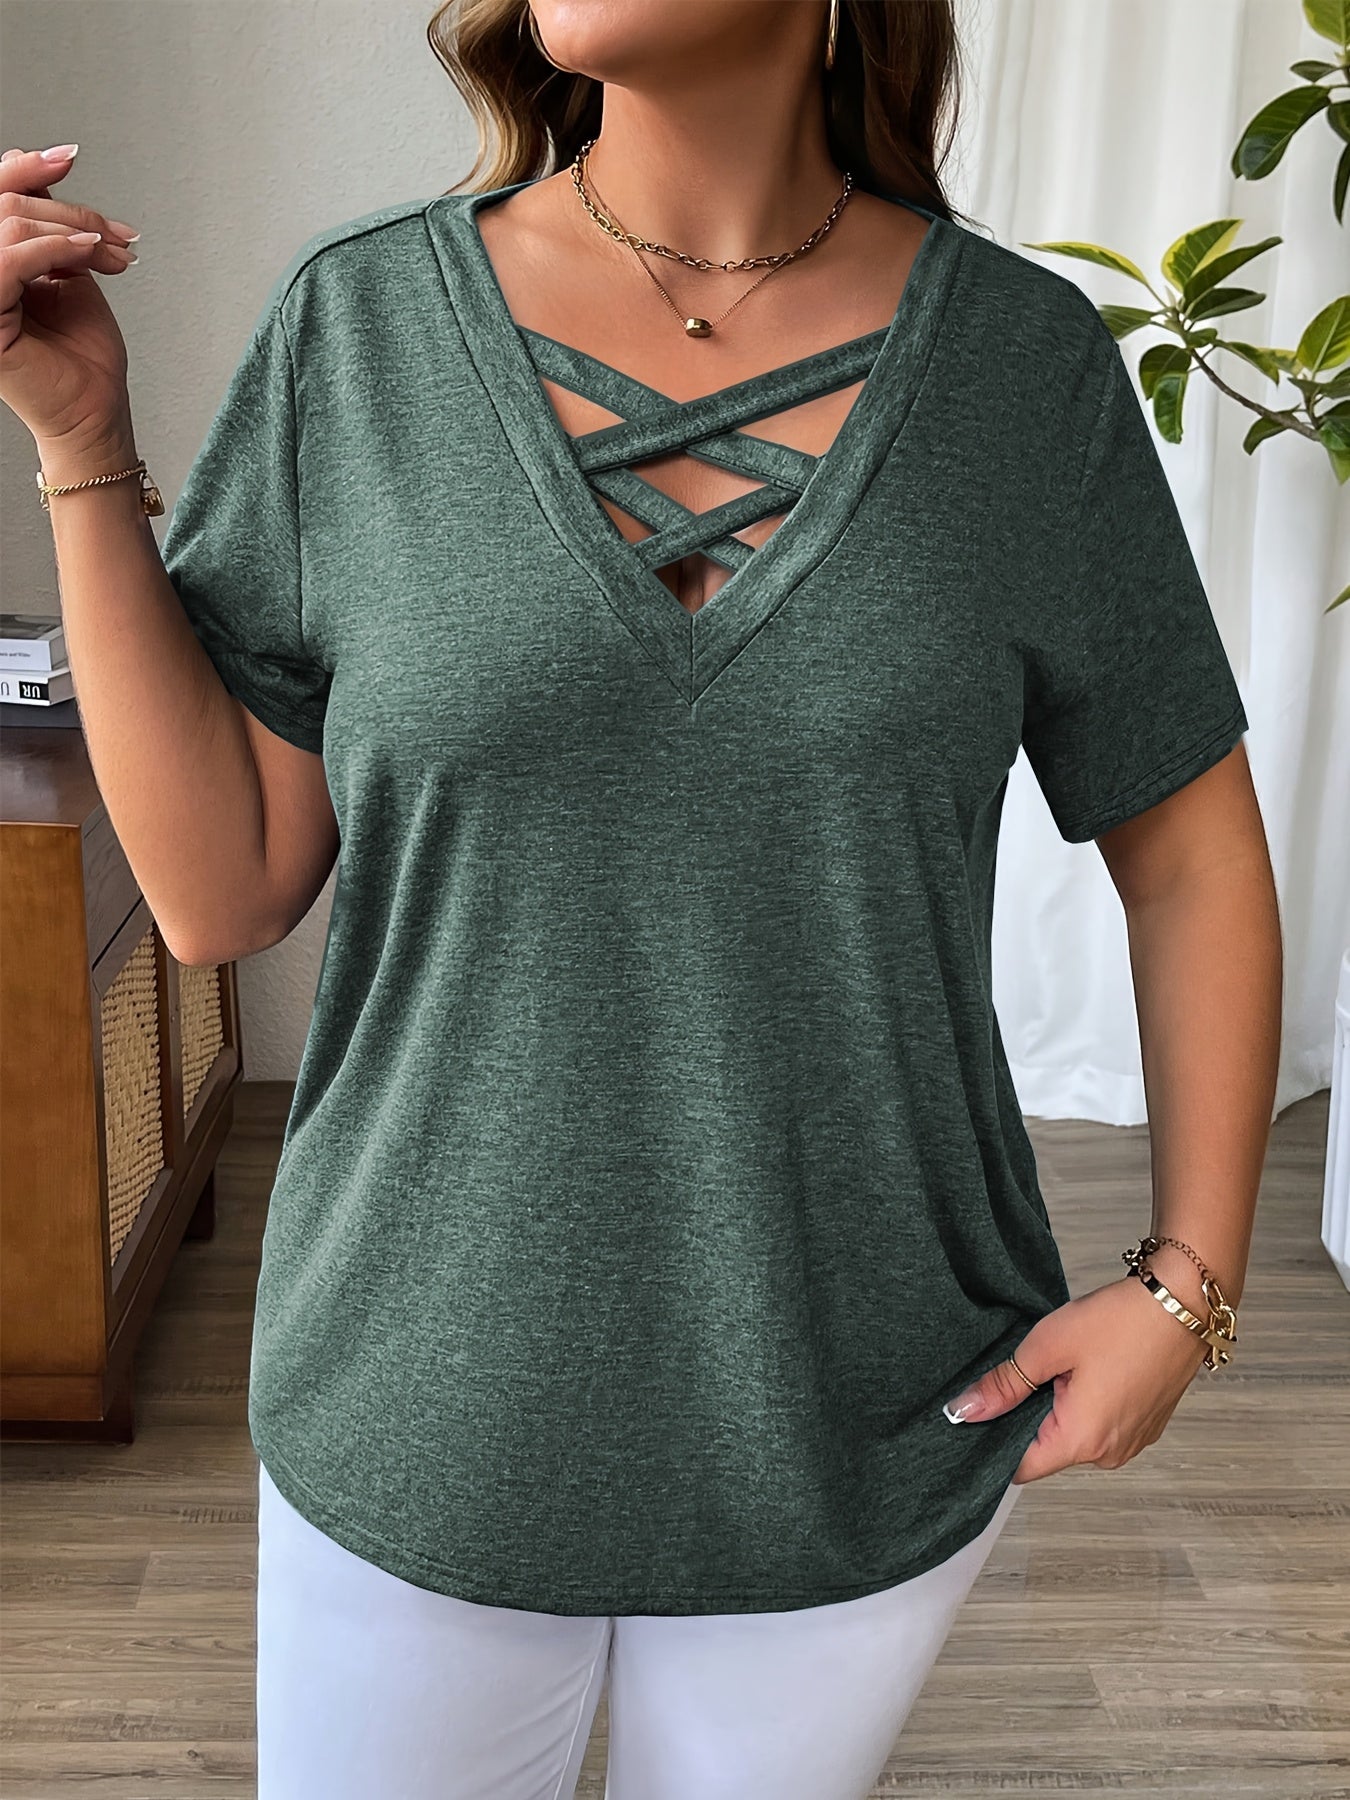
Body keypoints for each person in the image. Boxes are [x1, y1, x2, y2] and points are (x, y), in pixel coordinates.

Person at [2, 1, 1282, 1794]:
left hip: (864, 1389)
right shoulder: (359, 327)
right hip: (425, 1382)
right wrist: (79, 435)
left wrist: (1189, 1284)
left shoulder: (1020, 367)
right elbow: (222, 895)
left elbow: (1191, 849)